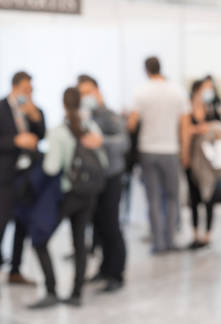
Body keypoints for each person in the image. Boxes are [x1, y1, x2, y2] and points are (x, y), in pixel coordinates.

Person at [29, 87, 106, 309]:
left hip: (67, 194)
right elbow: (103, 161)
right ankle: (76, 293)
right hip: (89, 193)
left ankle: (51, 290)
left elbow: (52, 168)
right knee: (80, 242)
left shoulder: (59, 132)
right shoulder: (90, 128)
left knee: (40, 240)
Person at [0, 71, 46, 298]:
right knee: (1, 224)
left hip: (26, 175)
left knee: (23, 224)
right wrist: (14, 141)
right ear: (15, 87)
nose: (28, 94)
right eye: (25, 90)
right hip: (6, 175)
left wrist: (35, 116)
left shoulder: (32, 110)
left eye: (31, 91)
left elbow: (42, 134)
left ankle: (15, 271)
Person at [128, 56, 190, 254]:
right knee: (171, 197)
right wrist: (185, 151)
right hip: (170, 150)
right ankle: (170, 239)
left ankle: (158, 243)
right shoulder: (177, 91)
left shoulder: (142, 92)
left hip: (148, 150)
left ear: (146, 70)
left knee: (153, 199)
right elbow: (185, 125)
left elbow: (131, 123)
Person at [78, 74, 129, 292]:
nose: (86, 97)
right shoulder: (84, 117)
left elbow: (124, 142)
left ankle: (116, 273)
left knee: (111, 224)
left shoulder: (110, 116)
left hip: (111, 177)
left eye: (89, 92)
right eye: (82, 94)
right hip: (94, 179)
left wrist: (102, 142)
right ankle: (105, 268)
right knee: (98, 226)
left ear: (98, 92)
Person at [180, 80, 218, 249]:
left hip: (209, 161)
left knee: (209, 197)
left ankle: (208, 234)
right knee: (194, 198)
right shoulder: (187, 110)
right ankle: (195, 234)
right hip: (193, 160)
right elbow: (184, 132)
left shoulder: (212, 109)